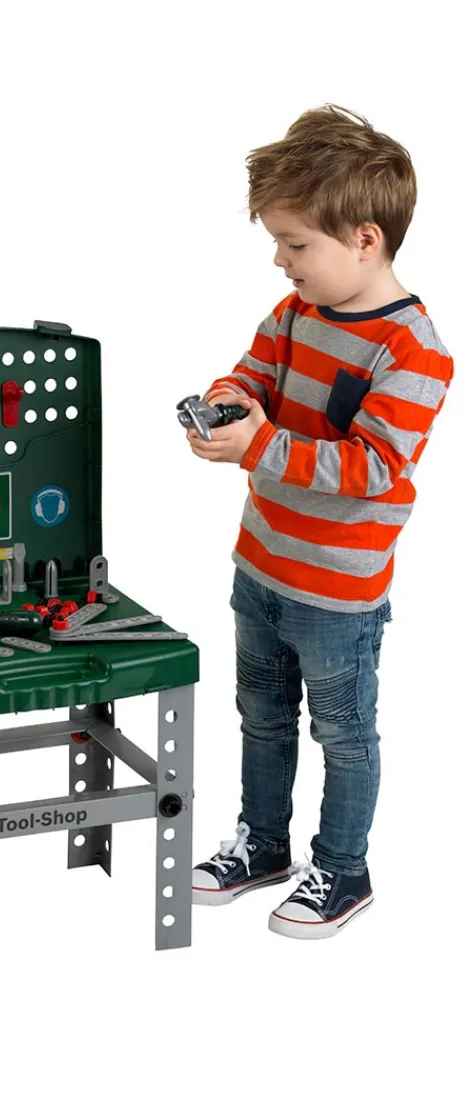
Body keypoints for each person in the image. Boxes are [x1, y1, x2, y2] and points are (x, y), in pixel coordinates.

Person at [186, 106, 454, 938]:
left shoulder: (413, 352)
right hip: (261, 565)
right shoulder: (295, 313)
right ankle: (263, 844)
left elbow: (372, 468)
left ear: (365, 240)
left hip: (337, 593)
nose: (280, 259)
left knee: (343, 734)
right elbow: (252, 374)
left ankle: (342, 869)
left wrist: (262, 445)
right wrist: (229, 405)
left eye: (295, 243)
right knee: (261, 718)